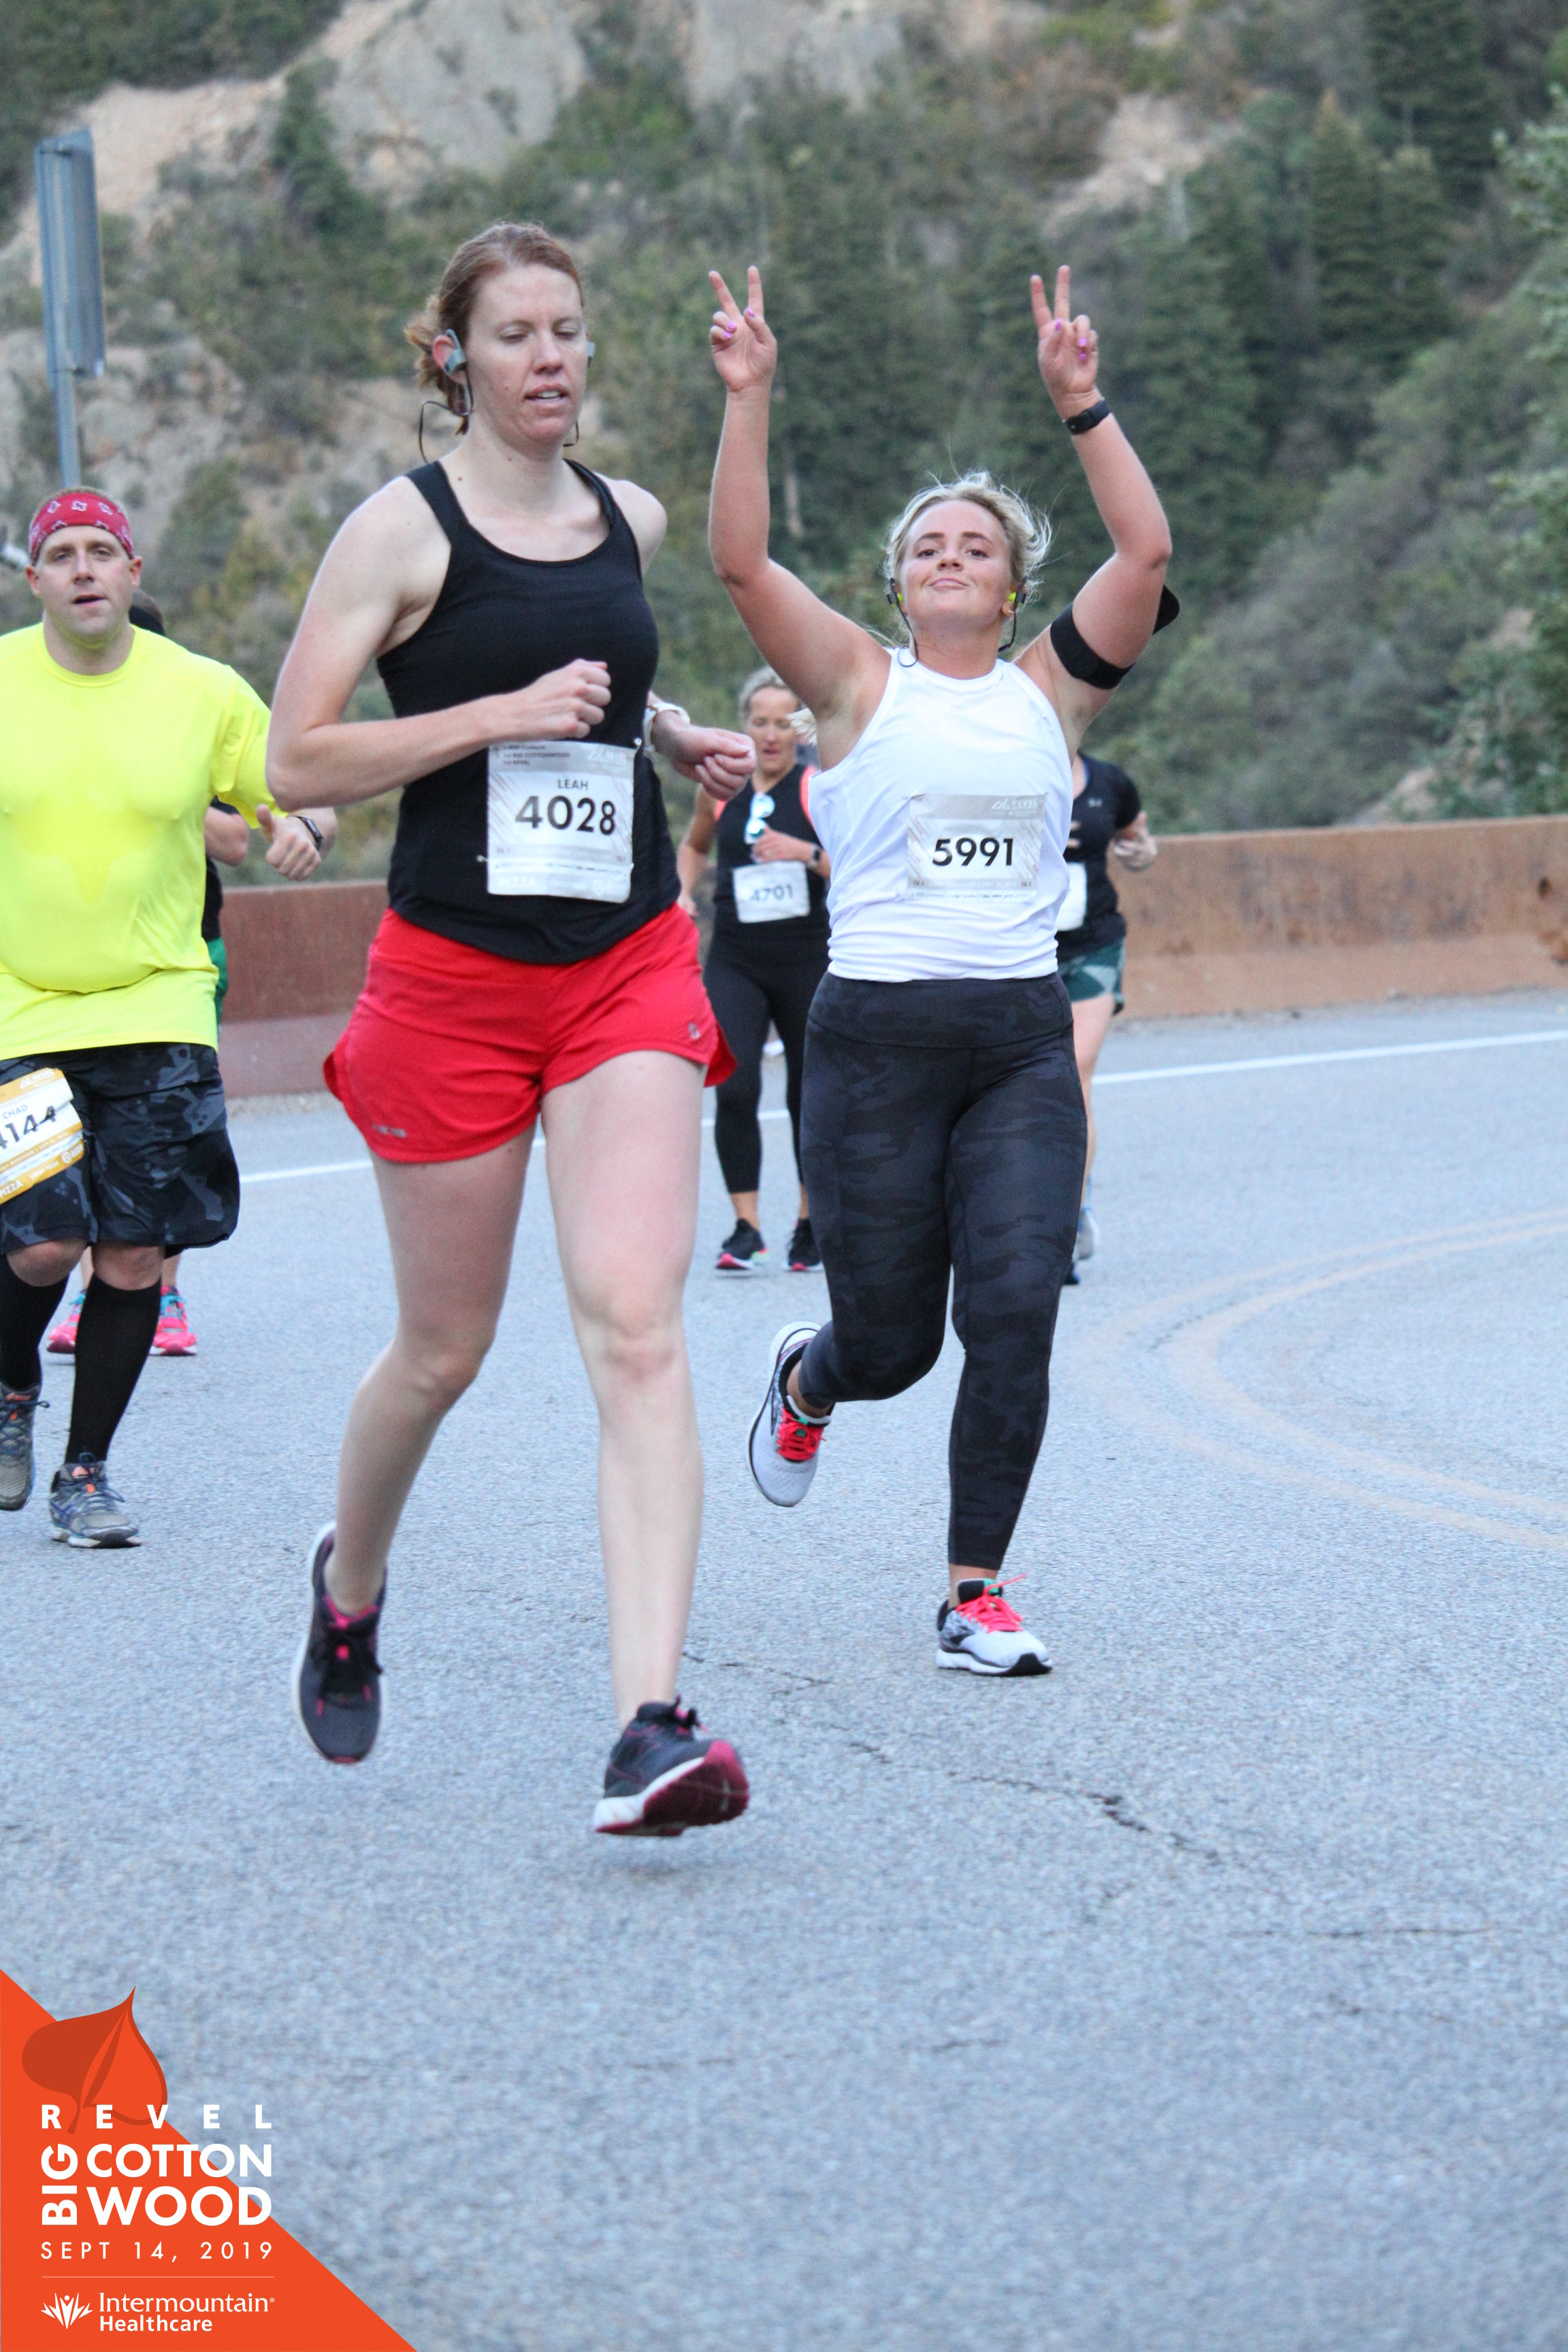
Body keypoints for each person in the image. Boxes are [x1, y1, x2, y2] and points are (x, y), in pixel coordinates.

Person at [266, 220, 757, 1835]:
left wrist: (666, 731)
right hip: (454, 979)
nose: (551, 356)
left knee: (638, 1321)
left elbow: (592, 687)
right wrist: (491, 715)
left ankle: (649, 1724)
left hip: (624, 962)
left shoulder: (628, 515)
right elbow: (296, 758)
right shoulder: (396, 532)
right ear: (456, 358)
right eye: (517, 333)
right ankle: (351, 1580)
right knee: (444, 1350)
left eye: (570, 329)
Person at [707, 261, 1175, 1675]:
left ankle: (974, 1591)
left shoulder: (1053, 692)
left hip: (1019, 1042)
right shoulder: (857, 684)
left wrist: (1081, 405)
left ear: (1014, 584)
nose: (952, 554)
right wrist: (748, 397)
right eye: (928, 544)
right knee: (893, 1344)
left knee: (1017, 1310)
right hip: (876, 1048)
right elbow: (742, 564)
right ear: (901, 582)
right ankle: (811, 1377)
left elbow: (1145, 552)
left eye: (977, 543)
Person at [0, 491, 283, 1546]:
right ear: (34, 579)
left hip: (159, 1003)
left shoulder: (202, 690)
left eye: (101, 552)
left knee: (131, 1254)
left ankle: (85, 1473)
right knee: (45, 1244)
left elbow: (282, 781)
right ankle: (12, 1387)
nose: (83, 569)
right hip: (20, 1009)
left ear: (132, 571)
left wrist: (302, 819)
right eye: (61, 554)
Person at [46, 592, 336, 1359]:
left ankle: (163, 1291)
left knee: (156, 1135)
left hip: (183, 956)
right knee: (75, 1135)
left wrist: (152, 788)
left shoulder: (187, 716)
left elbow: (238, 840)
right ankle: (89, 1287)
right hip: (63, 970)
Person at [676, 666, 830, 1274]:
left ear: (801, 730)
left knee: (807, 1093)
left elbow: (855, 864)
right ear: (744, 725)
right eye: (760, 722)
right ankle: (746, 1228)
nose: (771, 735)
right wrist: (681, 893)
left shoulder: (817, 788)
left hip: (807, 958)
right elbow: (694, 846)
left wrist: (805, 852)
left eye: (784, 723)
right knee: (734, 1086)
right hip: (737, 959)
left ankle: (809, 1223)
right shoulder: (721, 787)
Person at [1057, 749, 1156, 1276]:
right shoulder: (1003, 767)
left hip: (1093, 943)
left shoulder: (1109, 781)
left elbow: (1137, 839)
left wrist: (1142, 852)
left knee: (1075, 1073)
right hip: (1020, 947)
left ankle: (1069, 1219)